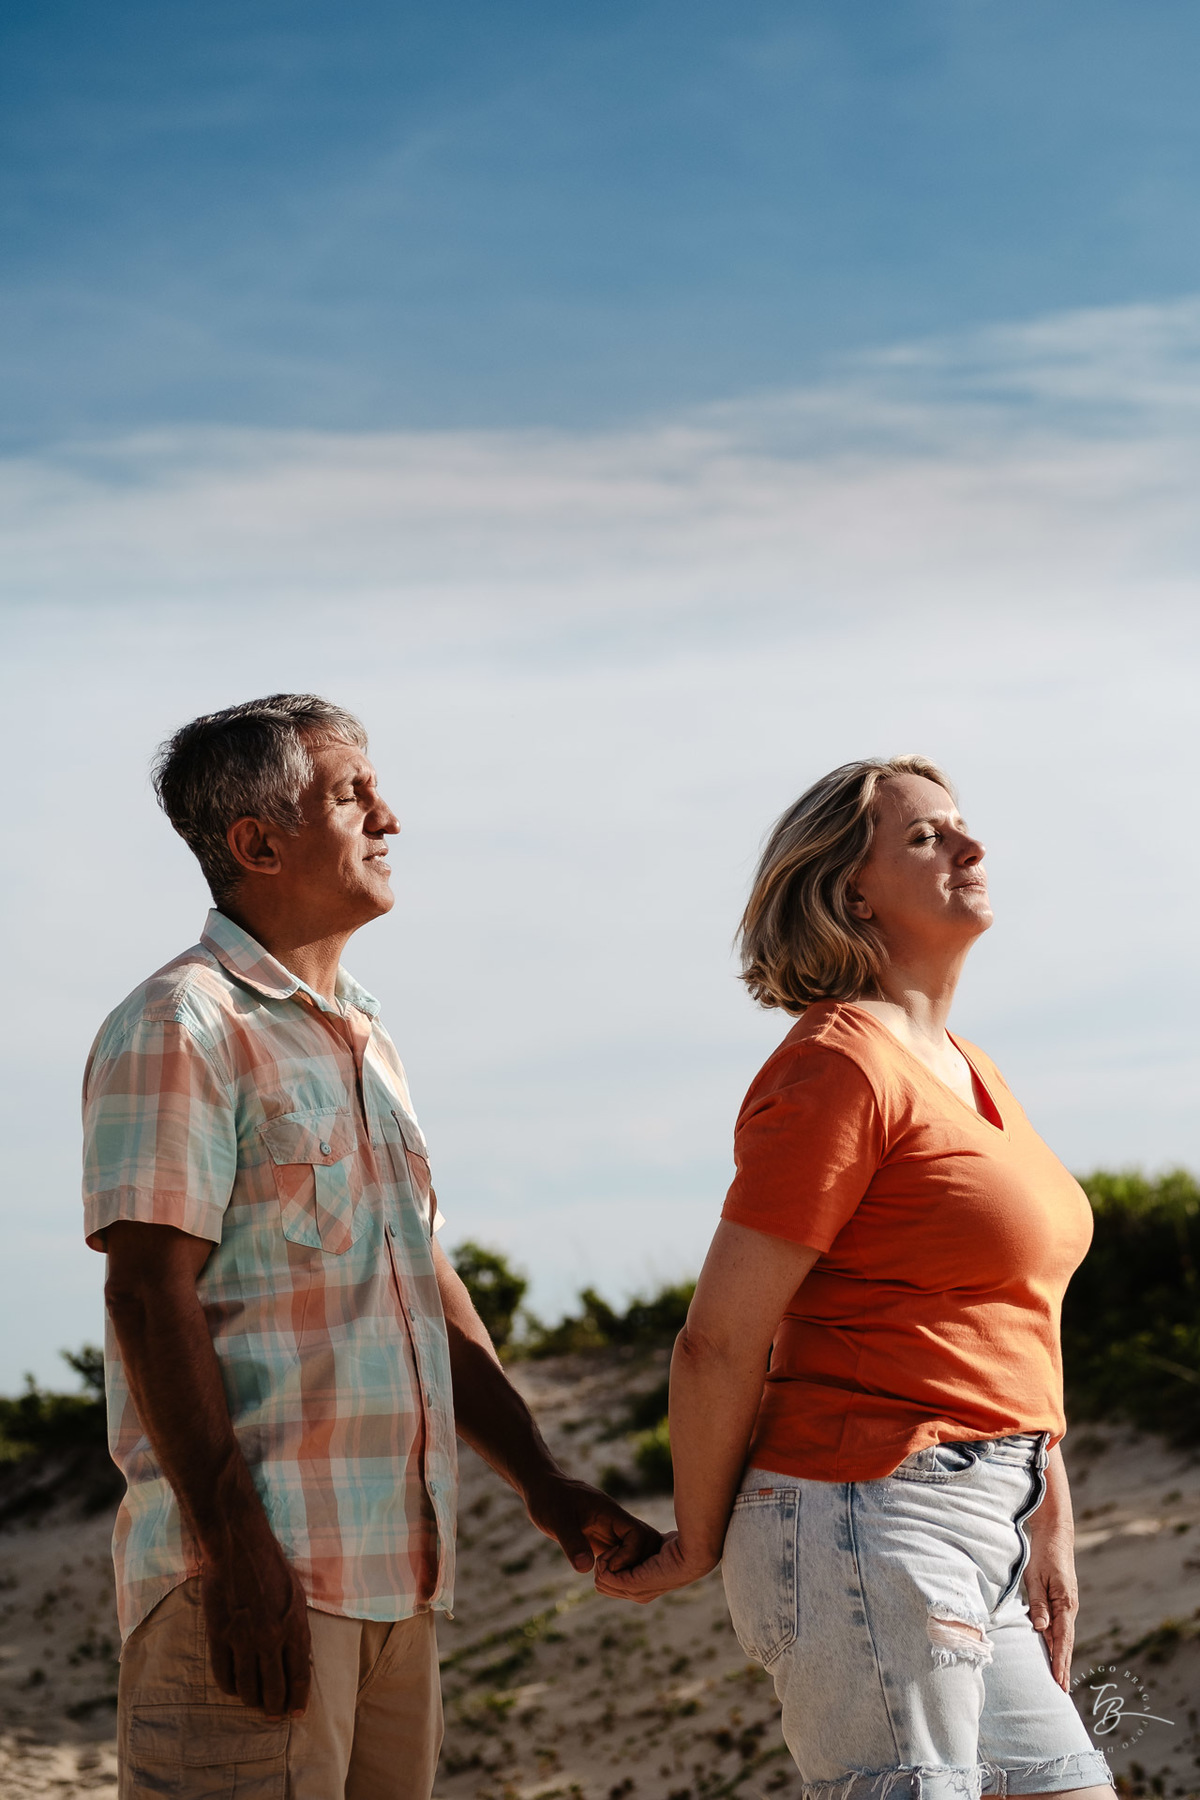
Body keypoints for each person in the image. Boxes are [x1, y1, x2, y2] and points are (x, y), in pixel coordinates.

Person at [84, 694, 660, 1800]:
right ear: (257, 843)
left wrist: (540, 1481)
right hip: (255, 1583)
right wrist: (237, 1556)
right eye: (353, 793)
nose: (389, 816)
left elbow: (416, 1283)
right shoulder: (180, 1025)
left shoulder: (368, 1036)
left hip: (401, 1581)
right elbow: (148, 1300)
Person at [596, 756, 1114, 1799]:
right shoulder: (840, 1065)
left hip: (985, 1521)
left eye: (964, 827)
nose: (971, 848)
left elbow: (1007, 1314)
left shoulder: (969, 1065)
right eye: (927, 836)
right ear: (849, 892)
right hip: (867, 1517)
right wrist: (697, 1539)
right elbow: (721, 1336)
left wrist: (1046, 1516)